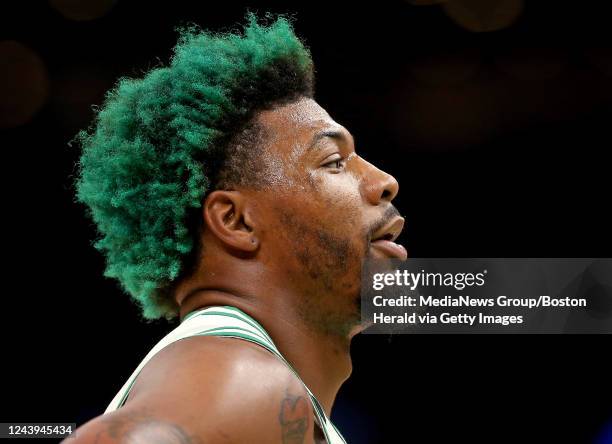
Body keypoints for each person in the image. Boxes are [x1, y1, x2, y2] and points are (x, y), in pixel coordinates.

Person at [68, 13, 406, 444]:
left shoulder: (265, 389)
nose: (383, 182)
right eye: (333, 163)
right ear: (235, 220)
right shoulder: (243, 374)